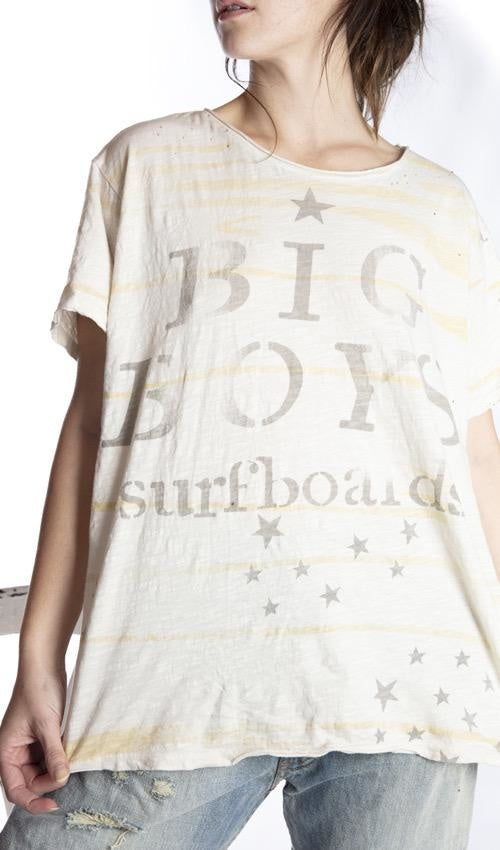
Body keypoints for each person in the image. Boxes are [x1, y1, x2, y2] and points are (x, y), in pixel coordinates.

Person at [1, 0, 500, 847]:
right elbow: (92, 423)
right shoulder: (147, 167)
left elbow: (476, 453)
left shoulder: (439, 207)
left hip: (409, 683)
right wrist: (38, 658)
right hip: (169, 675)